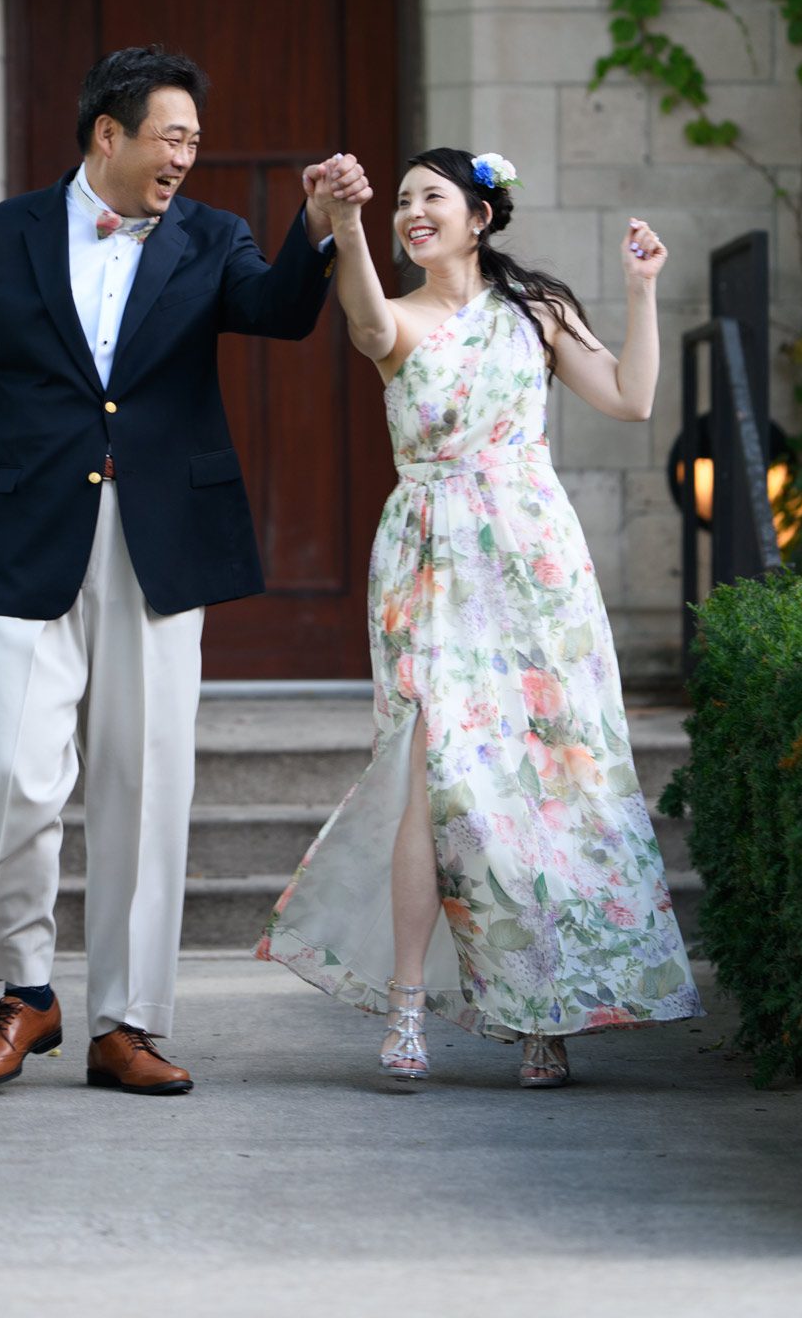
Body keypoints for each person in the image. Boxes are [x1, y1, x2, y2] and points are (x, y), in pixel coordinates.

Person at [0, 45, 370, 1096]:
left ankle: (127, 1021)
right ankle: (26, 994)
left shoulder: (214, 235)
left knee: (145, 781)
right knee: (11, 770)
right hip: (26, 534)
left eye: (196, 139)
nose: (187, 156)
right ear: (108, 133)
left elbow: (282, 311)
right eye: (171, 136)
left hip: (163, 539)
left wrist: (320, 227)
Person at [257, 146, 703, 1088]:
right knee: (436, 772)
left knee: (548, 774)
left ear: (480, 217)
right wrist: (342, 219)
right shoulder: (399, 318)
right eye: (404, 201)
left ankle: (548, 1011)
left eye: (433, 198)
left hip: (536, 559)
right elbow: (369, 317)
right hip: (430, 559)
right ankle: (410, 1003)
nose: (414, 213)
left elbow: (632, 398)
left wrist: (643, 289)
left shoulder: (537, 313)